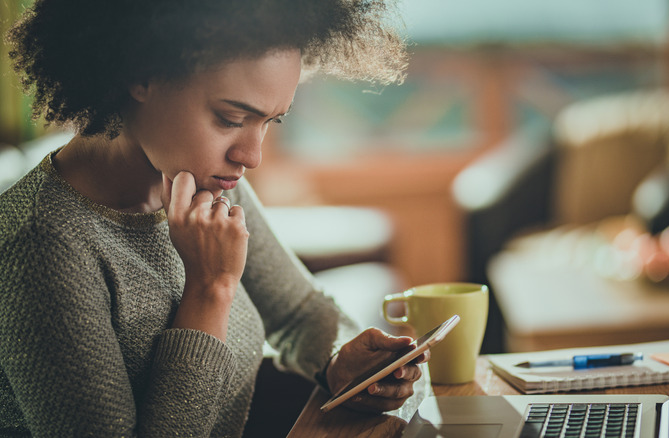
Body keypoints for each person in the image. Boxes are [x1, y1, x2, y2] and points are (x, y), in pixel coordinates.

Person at [0, 0, 425, 436]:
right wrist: (208, 290)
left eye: (270, 122)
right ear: (141, 75)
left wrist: (339, 360)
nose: (251, 156)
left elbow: (298, 312)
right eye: (231, 119)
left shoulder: (203, 178)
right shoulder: (38, 246)